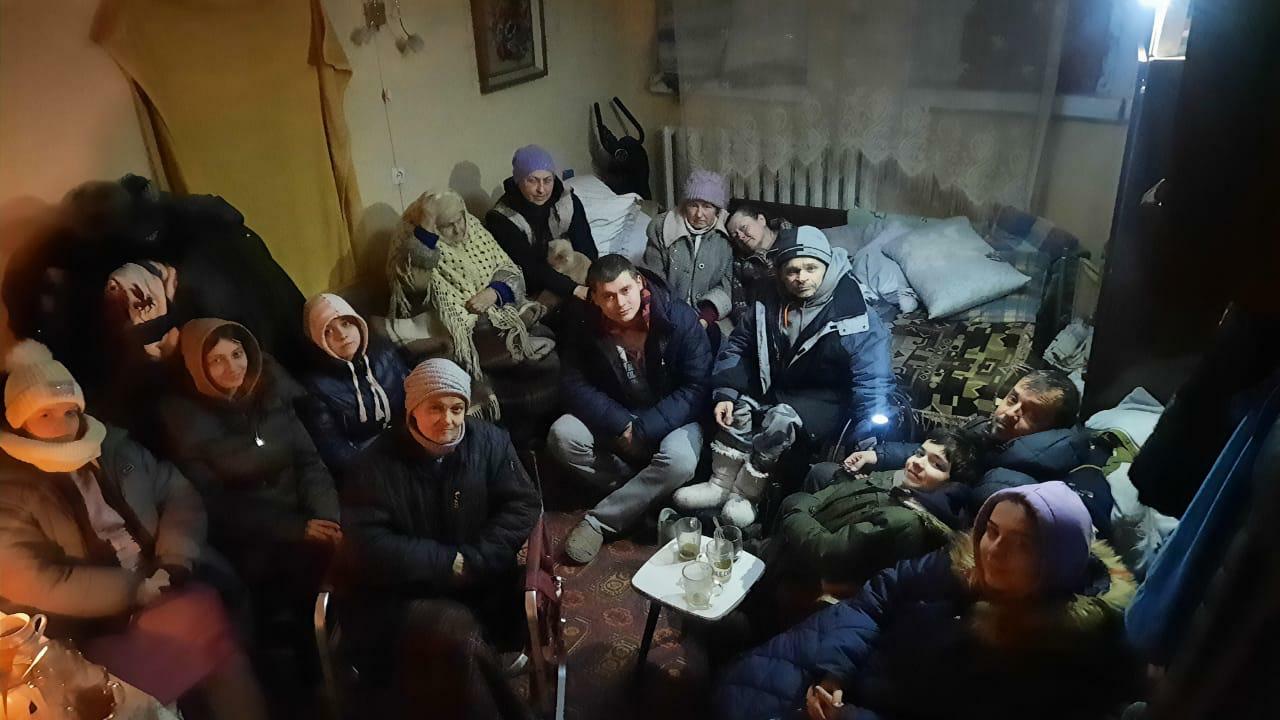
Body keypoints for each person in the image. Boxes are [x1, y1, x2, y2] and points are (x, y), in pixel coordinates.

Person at [716, 482, 1141, 720]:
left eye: (1021, 544)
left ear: (1057, 560)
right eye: (991, 529)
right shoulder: (960, 565)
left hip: (870, 704)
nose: (992, 549)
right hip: (848, 658)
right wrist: (835, 671)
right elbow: (878, 597)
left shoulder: (1050, 651)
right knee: (734, 688)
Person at [0, 341, 267, 720]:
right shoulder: (10, 488)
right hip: (98, 621)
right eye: (45, 415)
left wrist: (173, 561)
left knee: (214, 631)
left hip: (168, 575)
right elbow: (34, 580)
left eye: (70, 412)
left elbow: (177, 491)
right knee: (212, 633)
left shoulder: (115, 449)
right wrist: (135, 590)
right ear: (20, 422)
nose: (62, 426)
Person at [338, 358, 540, 712]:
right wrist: (447, 562)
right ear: (412, 409)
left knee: (460, 649)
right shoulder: (373, 465)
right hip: (405, 594)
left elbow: (522, 504)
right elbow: (368, 541)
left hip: (482, 583)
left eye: (457, 408)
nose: (447, 419)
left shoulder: (490, 443)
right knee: (458, 642)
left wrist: (475, 559)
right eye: (435, 407)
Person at [674, 226, 896, 527]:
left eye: (810, 268)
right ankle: (719, 484)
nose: (801, 277)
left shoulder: (854, 314)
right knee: (738, 408)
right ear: (780, 273)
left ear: (827, 266)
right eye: (792, 270)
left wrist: (870, 438)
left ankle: (746, 495)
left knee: (780, 419)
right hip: (776, 381)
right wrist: (726, 390)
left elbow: (873, 379)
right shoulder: (768, 300)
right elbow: (739, 345)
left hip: (823, 397)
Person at [158, 319, 341, 636]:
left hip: (303, 513)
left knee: (359, 551)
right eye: (216, 360)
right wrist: (295, 528)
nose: (232, 367)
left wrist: (326, 517)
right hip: (255, 537)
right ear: (197, 368)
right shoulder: (186, 423)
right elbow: (215, 503)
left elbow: (309, 461)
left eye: (237, 354)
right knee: (303, 584)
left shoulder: (270, 393)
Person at [550, 254, 713, 564]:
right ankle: (645, 495)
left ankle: (601, 520)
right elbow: (571, 383)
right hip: (618, 412)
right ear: (594, 297)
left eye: (625, 290)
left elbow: (697, 388)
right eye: (608, 296)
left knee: (680, 461)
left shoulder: (677, 318)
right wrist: (620, 424)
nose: (620, 302)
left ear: (639, 282)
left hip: (674, 416)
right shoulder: (583, 322)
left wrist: (644, 429)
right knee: (562, 436)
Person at [850, 369, 1114, 531]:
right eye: (1013, 399)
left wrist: (903, 493)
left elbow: (961, 526)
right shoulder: (996, 435)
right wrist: (879, 455)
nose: (1010, 414)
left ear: (1050, 430)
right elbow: (943, 452)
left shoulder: (1012, 481)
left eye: (1030, 415)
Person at [388, 190, 559, 437]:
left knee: (544, 345)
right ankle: (518, 439)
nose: (459, 230)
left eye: (461, 219)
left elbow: (507, 267)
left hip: (500, 314)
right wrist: (427, 228)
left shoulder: (474, 228)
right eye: (447, 226)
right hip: (456, 335)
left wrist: (494, 292)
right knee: (508, 369)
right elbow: (415, 286)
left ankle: (536, 435)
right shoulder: (411, 245)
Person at [775, 428, 980, 599]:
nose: (918, 462)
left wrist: (795, 511)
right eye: (919, 453)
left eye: (937, 464)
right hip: (804, 535)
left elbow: (828, 552)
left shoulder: (906, 520)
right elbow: (835, 493)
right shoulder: (899, 479)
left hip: (812, 575)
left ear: (951, 486)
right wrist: (803, 508)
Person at [297, 293, 407, 478]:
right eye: (328, 331)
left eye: (345, 323)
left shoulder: (385, 354)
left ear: (358, 324)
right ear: (318, 341)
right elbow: (335, 451)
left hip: (406, 443)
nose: (342, 335)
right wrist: (383, 468)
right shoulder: (315, 388)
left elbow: (414, 395)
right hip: (368, 466)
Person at [485, 144, 598, 310]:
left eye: (547, 180)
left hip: (577, 272)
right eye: (532, 180)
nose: (541, 189)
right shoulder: (502, 218)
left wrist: (597, 283)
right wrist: (575, 289)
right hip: (539, 287)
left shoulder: (567, 201)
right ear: (518, 181)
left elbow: (587, 248)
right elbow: (530, 268)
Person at [642, 170, 735, 332]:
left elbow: (725, 286)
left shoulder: (726, 235)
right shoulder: (662, 228)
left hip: (709, 317)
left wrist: (705, 318)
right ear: (685, 205)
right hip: (668, 312)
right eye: (693, 205)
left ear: (718, 210)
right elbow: (654, 280)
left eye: (707, 206)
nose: (700, 214)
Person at [724, 199, 793, 323]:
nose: (740, 236)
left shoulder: (796, 239)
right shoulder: (740, 263)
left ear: (761, 220)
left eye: (743, 227)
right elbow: (739, 307)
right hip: (762, 327)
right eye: (735, 235)